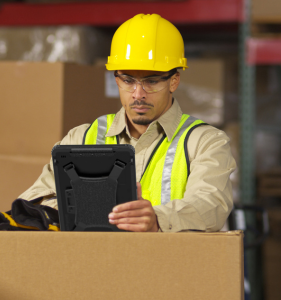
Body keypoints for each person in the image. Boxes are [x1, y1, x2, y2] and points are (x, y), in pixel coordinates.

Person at [17, 13, 236, 232]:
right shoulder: (81, 138)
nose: (138, 94)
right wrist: (85, 209)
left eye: (151, 81)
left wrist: (157, 219)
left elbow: (211, 206)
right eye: (128, 81)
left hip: (167, 264)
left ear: (174, 81)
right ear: (116, 80)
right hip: (95, 263)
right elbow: (33, 201)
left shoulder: (205, 142)